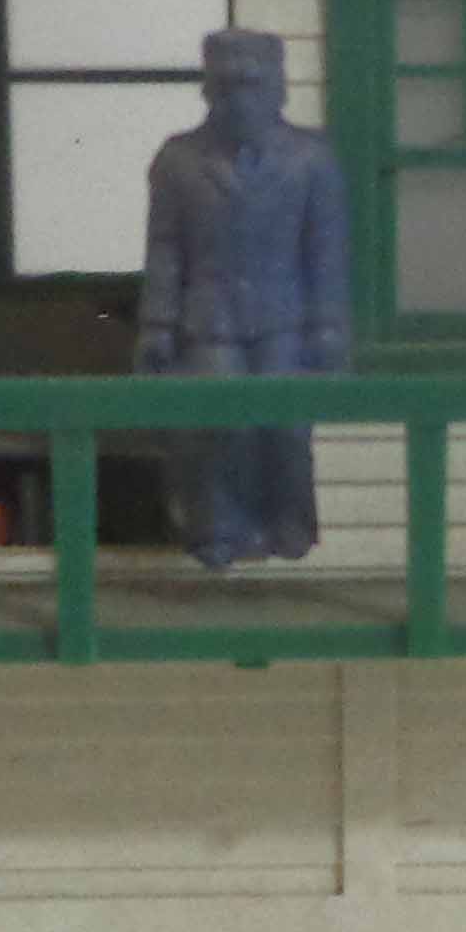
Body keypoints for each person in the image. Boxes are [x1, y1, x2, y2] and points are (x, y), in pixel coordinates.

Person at [136, 28, 352, 566]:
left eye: (253, 85)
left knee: (286, 425)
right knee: (215, 424)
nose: (240, 99)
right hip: (209, 317)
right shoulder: (179, 160)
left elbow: (326, 251)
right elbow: (165, 249)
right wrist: (157, 325)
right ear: (208, 90)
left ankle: (287, 524)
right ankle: (218, 528)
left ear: (279, 88)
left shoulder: (312, 159)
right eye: (227, 86)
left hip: (286, 317)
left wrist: (329, 326)